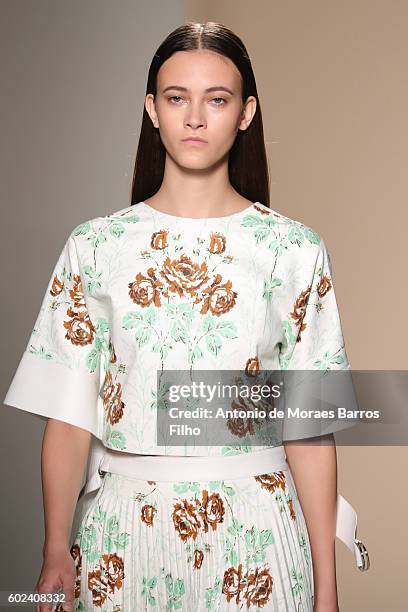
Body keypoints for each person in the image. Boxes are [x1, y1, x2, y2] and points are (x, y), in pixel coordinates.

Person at [3, 21, 363, 612]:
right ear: (152, 109)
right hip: (121, 536)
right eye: (177, 98)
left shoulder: (293, 250)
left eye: (216, 99)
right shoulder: (95, 247)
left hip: (259, 540)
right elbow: (68, 417)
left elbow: (308, 426)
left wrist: (327, 586)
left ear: (245, 113)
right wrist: (53, 552)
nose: (195, 117)